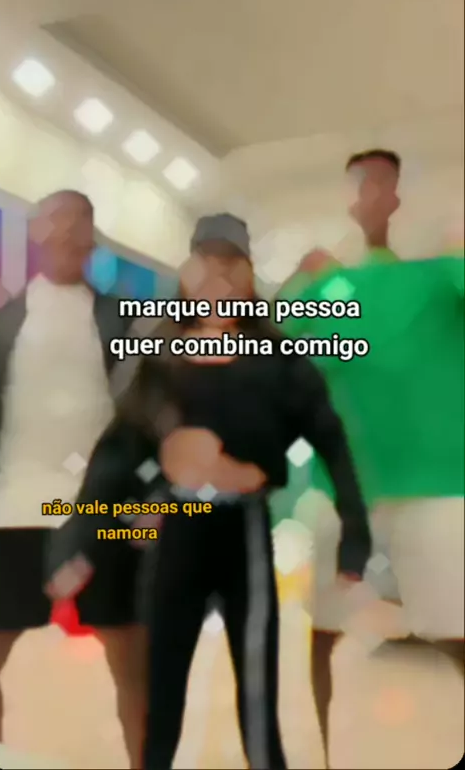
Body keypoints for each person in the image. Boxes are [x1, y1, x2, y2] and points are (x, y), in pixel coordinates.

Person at [46, 213, 372, 770]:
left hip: (243, 532)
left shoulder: (280, 359)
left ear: (248, 275)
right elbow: (117, 454)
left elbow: (331, 440)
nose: (218, 276)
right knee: (162, 686)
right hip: (176, 532)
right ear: (188, 271)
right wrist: (79, 537)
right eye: (207, 262)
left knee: (257, 692)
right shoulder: (160, 358)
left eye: (231, 263)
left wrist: (355, 532)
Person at [276, 150, 464, 768]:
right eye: (363, 185)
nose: (375, 196)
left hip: (437, 486)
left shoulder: (441, 274)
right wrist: (300, 283)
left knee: (456, 632)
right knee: (321, 635)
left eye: (386, 183)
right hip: (349, 488)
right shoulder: (333, 288)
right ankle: (324, 757)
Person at [0, 190, 145, 768]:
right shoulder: (0, 324)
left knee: (132, 660)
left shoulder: (123, 320)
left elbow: (148, 419)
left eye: (82, 221)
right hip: (12, 507)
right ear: (36, 231)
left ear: (93, 236)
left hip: (102, 511)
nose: (70, 232)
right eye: (58, 220)